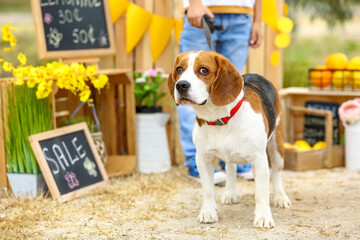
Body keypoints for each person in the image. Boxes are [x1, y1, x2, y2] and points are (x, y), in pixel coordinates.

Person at [178, 0, 263, 183]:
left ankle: (235, 161)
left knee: (232, 90)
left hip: (242, 14)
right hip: (200, 12)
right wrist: (195, 3)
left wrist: (258, 20)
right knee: (189, 88)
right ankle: (196, 162)